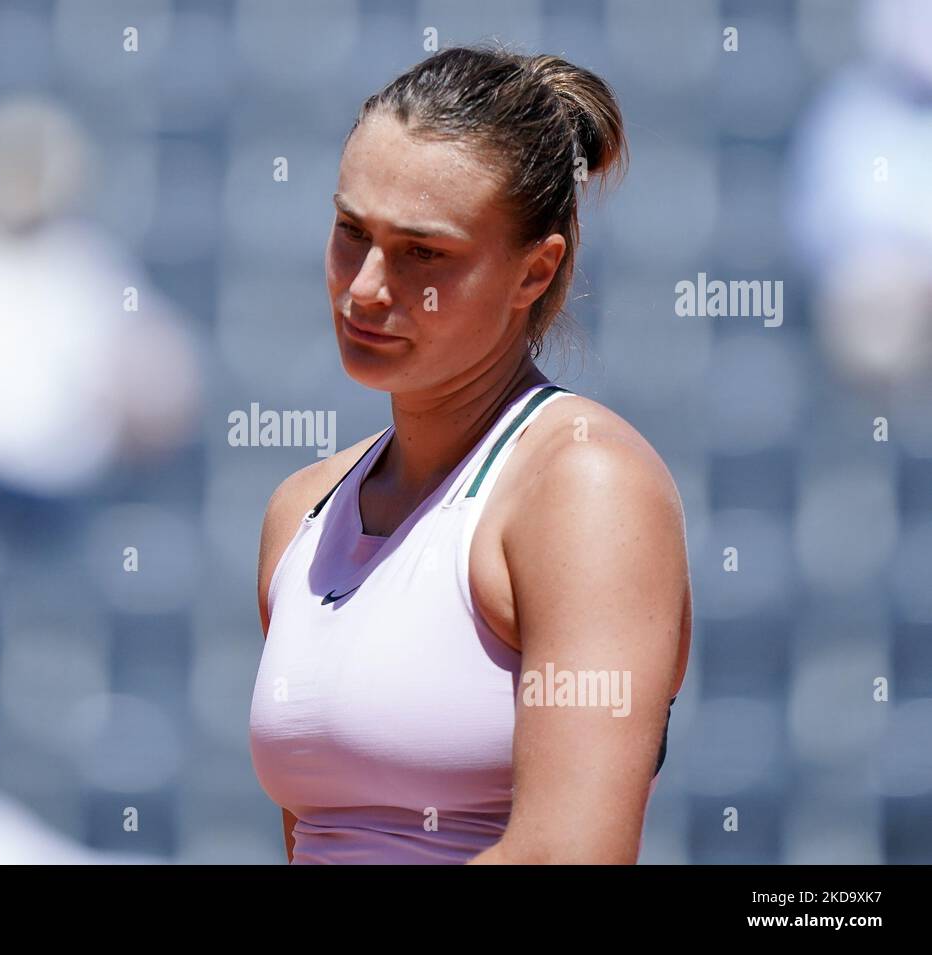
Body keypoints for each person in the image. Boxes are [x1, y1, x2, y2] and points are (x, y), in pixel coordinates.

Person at [249, 44, 691, 864]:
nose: (366, 287)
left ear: (535, 272)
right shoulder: (298, 512)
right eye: (351, 232)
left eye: (425, 253)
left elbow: (570, 854)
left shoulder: (588, 487)